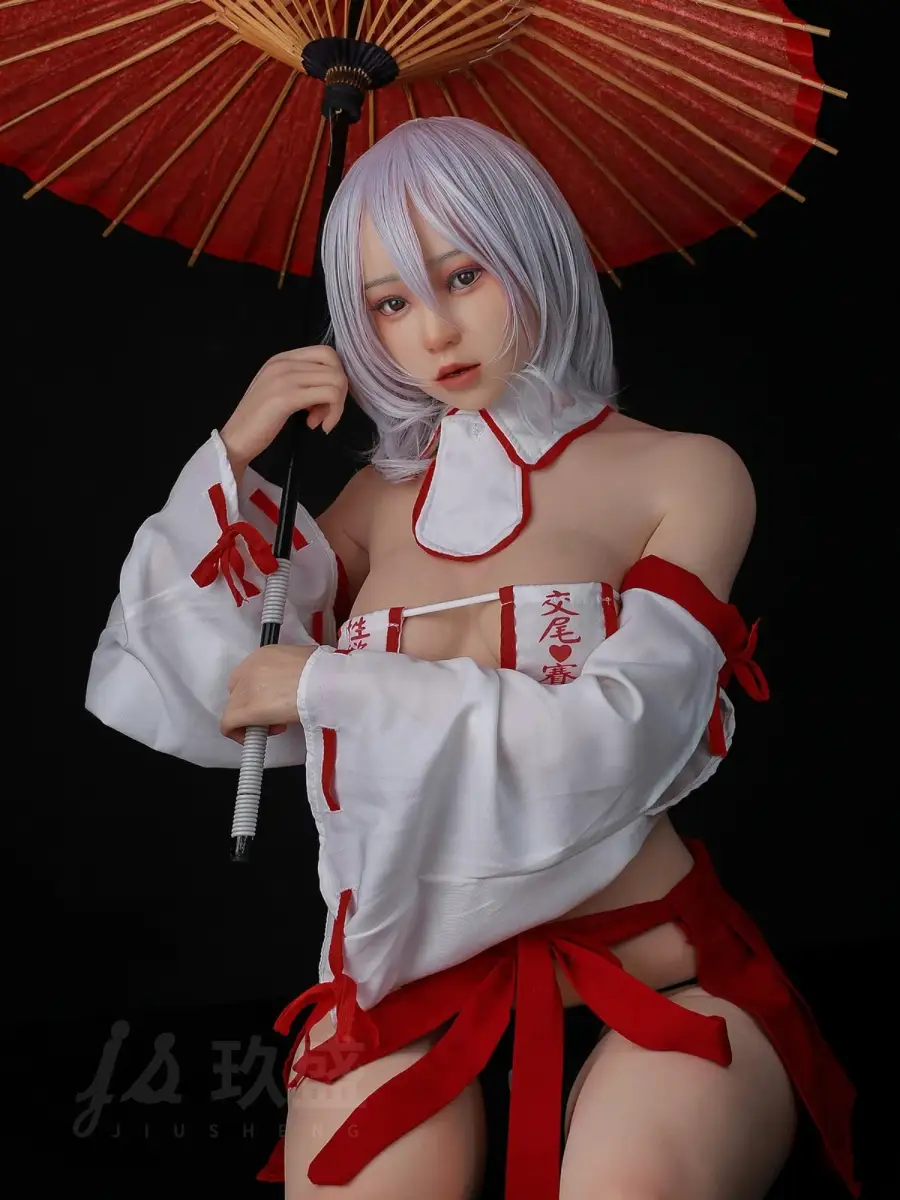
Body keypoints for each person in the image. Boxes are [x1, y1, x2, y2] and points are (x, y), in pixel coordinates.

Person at [85, 117, 859, 1200]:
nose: (437, 330)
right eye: (389, 304)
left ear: (533, 252)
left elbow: (620, 738)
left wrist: (333, 683)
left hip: (663, 976)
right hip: (398, 996)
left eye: (464, 275)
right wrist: (237, 449)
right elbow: (196, 678)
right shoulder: (369, 506)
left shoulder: (686, 474)